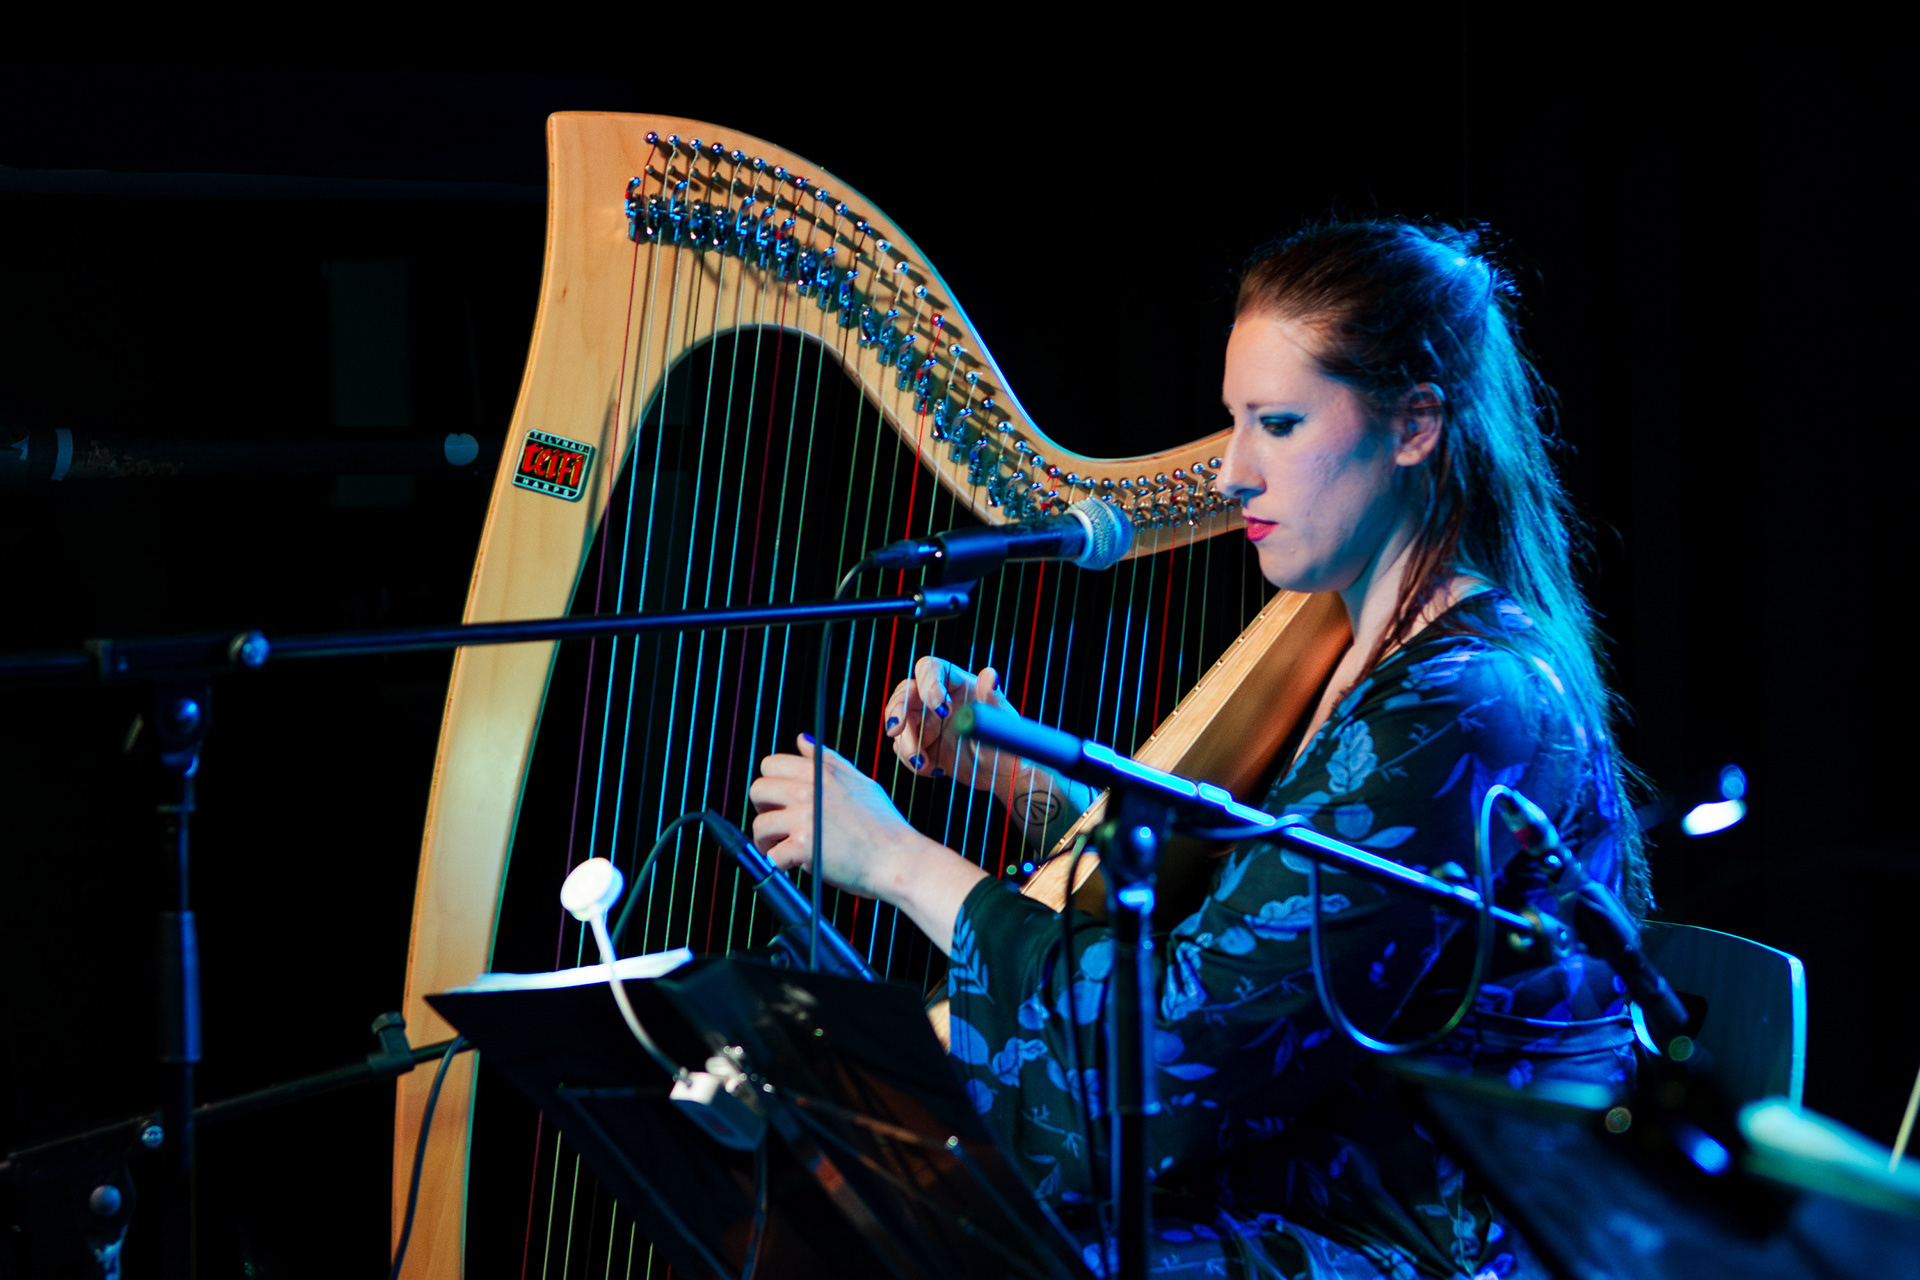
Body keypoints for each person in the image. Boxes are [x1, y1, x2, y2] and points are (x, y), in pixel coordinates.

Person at [749, 220, 1647, 1279]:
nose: (1230, 474)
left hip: (1429, 1240)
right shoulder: (1355, 654)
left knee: (946, 1235)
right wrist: (1025, 788)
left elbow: (1177, 1058)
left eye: (1278, 424)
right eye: (1232, 423)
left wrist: (900, 862)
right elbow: (1257, 932)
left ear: (1414, 425)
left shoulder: (1464, 704)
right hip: (1303, 1183)